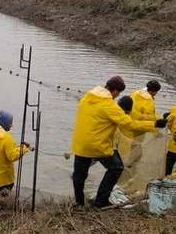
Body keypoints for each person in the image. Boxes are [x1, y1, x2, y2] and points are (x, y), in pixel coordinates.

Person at [70, 76, 167, 208]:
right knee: (116, 168)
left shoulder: (87, 97)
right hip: (98, 146)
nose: (117, 96)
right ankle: (100, 201)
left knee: (79, 176)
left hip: (80, 144)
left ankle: (79, 204)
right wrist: (154, 123)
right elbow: (129, 124)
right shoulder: (108, 105)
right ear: (115, 91)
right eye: (118, 93)